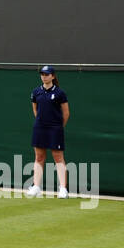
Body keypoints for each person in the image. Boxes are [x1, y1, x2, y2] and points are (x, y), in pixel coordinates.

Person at [26, 65, 70, 198]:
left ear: (53, 76)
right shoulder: (36, 92)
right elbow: (35, 110)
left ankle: (63, 189)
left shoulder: (59, 93)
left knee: (58, 157)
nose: (44, 76)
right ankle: (36, 187)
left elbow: (66, 113)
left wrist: (58, 126)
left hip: (55, 129)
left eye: (46, 74)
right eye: (42, 74)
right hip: (40, 128)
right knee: (39, 157)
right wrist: (41, 122)